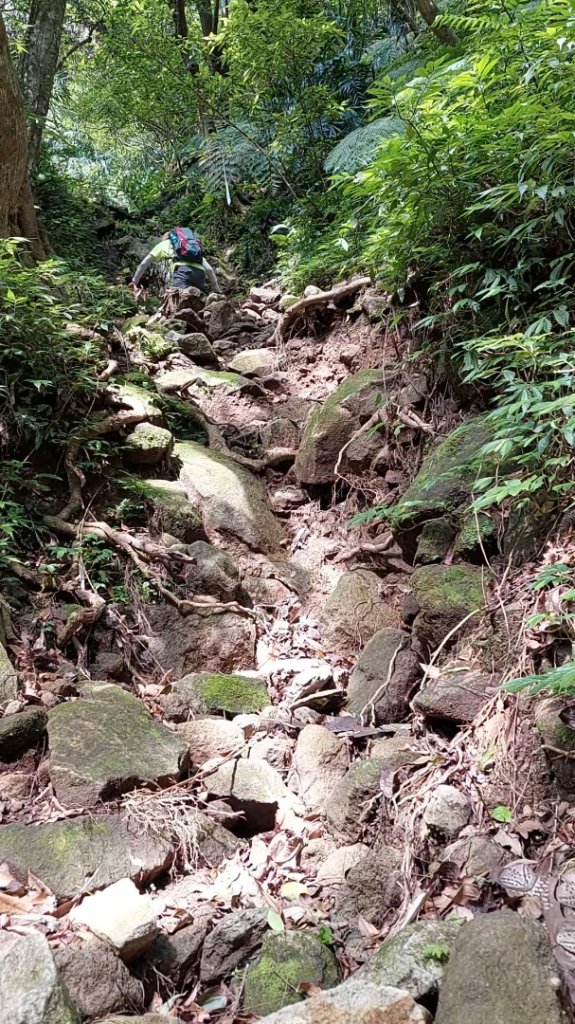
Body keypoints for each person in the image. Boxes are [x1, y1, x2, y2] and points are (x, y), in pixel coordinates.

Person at [130, 227, 220, 295]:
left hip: (182, 274)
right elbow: (209, 269)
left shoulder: (163, 244)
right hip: (200, 276)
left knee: (179, 301)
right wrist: (216, 288)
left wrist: (135, 281)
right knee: (196, 300)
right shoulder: (190, 248)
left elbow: (144, 264)